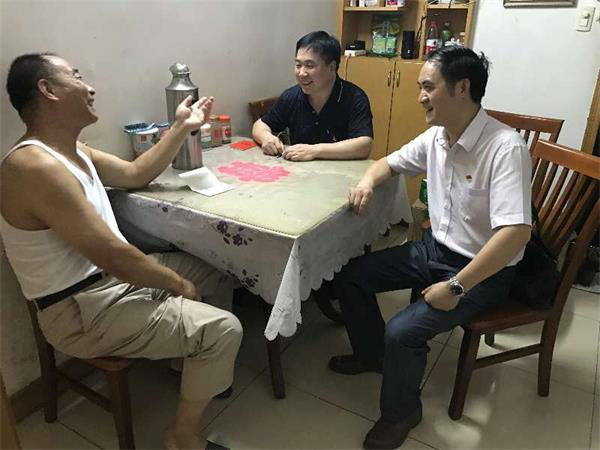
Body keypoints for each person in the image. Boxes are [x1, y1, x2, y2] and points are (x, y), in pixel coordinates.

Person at [1, 53, 241, 450]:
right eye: (76, 76)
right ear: (48, 90)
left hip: (113, 282)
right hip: (80, 308)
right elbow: (113, 254)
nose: (90, 87)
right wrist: (177, 284)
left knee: (219, 270)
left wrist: (181, 127)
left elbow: (135, 173)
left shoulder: (72, 150)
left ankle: (187, 362)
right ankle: (182, 438)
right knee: (224, 330)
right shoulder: (32, 166)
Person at [329, 46, 532, 449]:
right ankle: (372, 356)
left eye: (428, 87)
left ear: (462, 88)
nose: (420, 96)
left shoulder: (505, 148)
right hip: (433, 250)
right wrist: (367, 182)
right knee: (350, 276)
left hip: (482, 269)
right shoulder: (437, 137)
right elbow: (387, 162)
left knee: (402, 332)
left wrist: (456, 286)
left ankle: (402, 413)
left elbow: (516, 233)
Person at [252, 30, 374, 161]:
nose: (302, 73)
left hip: (341, 171)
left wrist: (315, 151)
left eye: (309, 66)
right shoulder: (291, 96)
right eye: (298, 65)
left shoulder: (354, 97)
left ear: (332, 67)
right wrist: (267, 138)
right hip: (299, 170)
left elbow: (364, 145)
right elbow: (260, 125)